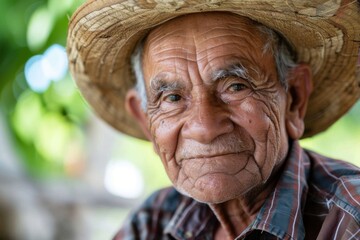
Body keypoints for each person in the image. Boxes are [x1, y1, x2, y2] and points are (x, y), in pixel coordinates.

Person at [67, 0, 360, 239]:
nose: (205, 128)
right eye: (172, 98)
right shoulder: (153, 222)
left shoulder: (350, 218)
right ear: (146, 122)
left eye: (235, 86)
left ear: (294, 99)